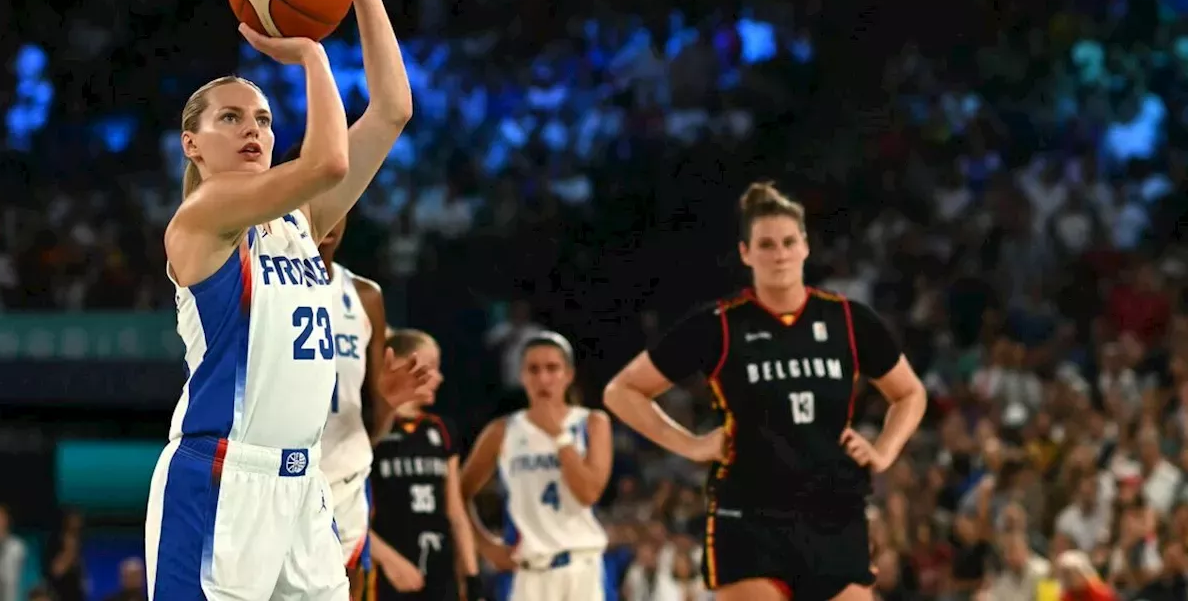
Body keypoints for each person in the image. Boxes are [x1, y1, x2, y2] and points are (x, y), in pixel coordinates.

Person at [145, 0, 434, 601]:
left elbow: (392, 110)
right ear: (192, 144)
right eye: (232, 117)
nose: (254, 129)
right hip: (220, 480)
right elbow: (330, 159)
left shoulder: (297, 222)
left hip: (303, 486)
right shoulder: (203, 218)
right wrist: (311, 55)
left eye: (265, 119)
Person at [603, 181, 927, 601]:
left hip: (834, 512)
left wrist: (884, 450)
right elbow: (621, 391)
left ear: (806, 247)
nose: (780, 254)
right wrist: (691, 445)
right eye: (767, 244)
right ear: (746, 252)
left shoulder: (847, 319)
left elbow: (910, 394)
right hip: (751, 516)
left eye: (789, 242)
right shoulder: (718, 324)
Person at [280, 141, 389, 601]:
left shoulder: (364, 296)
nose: (327, 216)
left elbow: (375, 412)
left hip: (344, 487)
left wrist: (391, 403)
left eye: (338, 201)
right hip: (277, 481)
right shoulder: (258, 279)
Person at [460, 332, 613, 601]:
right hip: (528, 573)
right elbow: (457, 493)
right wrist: (484, 545)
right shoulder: (502, 430)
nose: (543, 378)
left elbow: (588, 493)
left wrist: (558, 436)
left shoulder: (592, 423)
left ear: (569, 374)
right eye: (534, 369)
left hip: (583, 571)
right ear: (522, 376)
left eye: (552, 368)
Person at [367, 329, 483, 601]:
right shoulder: (370, 429)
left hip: (439, 570)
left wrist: (472, 577)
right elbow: (345, 513)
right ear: (397, 366)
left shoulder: (441, 429)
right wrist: (389, 560)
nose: (439, 378)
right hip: (387, 571)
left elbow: (455, 511)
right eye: (430, 368)